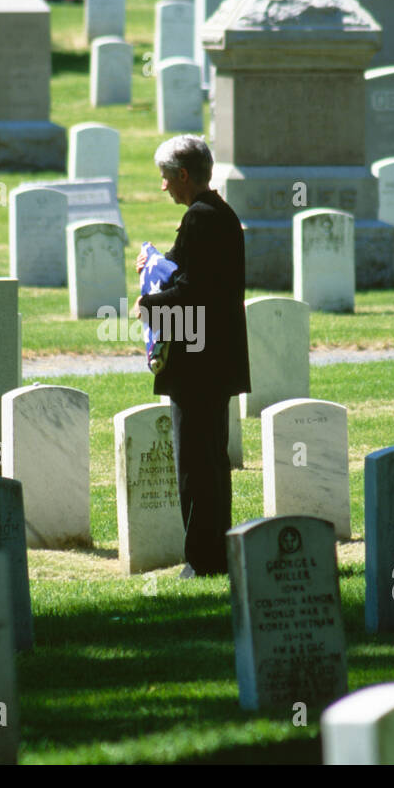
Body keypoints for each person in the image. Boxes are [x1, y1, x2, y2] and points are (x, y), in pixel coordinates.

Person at [135, 136, 249, 578]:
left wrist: (149, 306)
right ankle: (214, 552)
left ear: (183, 175)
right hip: (215, 360)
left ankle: (202, 560)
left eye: (165, 178)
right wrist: (153, 266)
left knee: (197, 467)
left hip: (199, 363)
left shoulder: (201, 219)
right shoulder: (217, 215)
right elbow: (185, 272)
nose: (163, 187)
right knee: (211, 462)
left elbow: (192, 292)